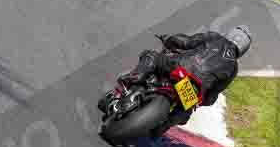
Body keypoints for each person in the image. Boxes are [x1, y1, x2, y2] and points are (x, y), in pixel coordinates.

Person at [98, 25, 252, 133]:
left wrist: (168, 38)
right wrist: (200, 100)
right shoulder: (233, 69)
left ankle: (126, 84)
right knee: (184, 112)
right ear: (244, 50)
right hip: (194, 90)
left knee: (151, 55)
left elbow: (186, 42)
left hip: (178, 69)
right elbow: (211, 98)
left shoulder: (214, 37)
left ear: (230, 34)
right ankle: (162, 127)